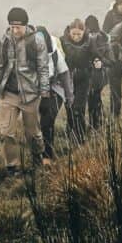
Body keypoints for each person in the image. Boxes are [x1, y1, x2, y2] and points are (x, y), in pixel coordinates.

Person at [0, 7, 50, 174]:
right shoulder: (4, 40)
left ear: (25, 25)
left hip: (30, 94)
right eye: (12, 26)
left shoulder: (37, 40)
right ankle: (12, 166)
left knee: (33, 134)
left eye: (18, 27)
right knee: (6, 131)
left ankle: (37, 158)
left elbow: (43, 69)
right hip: (8, 93)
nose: (14, 30)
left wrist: (45, 96)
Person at [60, 19, 105, 144]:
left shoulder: (90, 41)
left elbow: (96, 55)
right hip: (67, 78)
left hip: (84, 77)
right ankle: (70, 132)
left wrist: (97, 62)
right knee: (69, 106)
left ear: (83, 31)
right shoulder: (62, 41)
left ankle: (80, 138)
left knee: (78, 108)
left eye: (78, 34)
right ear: (69, 32)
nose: (76, 37)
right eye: (73, 34)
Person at [37, 27, 74, 162]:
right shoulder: (28, 52)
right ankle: (39, 151)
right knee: (41, 122)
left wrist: (69, 96)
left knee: (48, 119)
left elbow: (64, 73)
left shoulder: (54, 52)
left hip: (55, 88)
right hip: (37, 90)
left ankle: (47, 156)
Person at [102, 0, 122, 117]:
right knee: (115, 89)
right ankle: (115, 115)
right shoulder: (110, 15)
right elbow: (104, 34)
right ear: (116, 5)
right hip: (114, 58)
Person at [84, 15, 111, 130]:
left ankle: (94, 124)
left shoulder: (88, 38)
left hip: (91, 74)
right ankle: (97, 123)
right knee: (96, 98)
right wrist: (102, 63)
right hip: (101, 74)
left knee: (92, 100)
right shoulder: (104, 38)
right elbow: (110, 60)